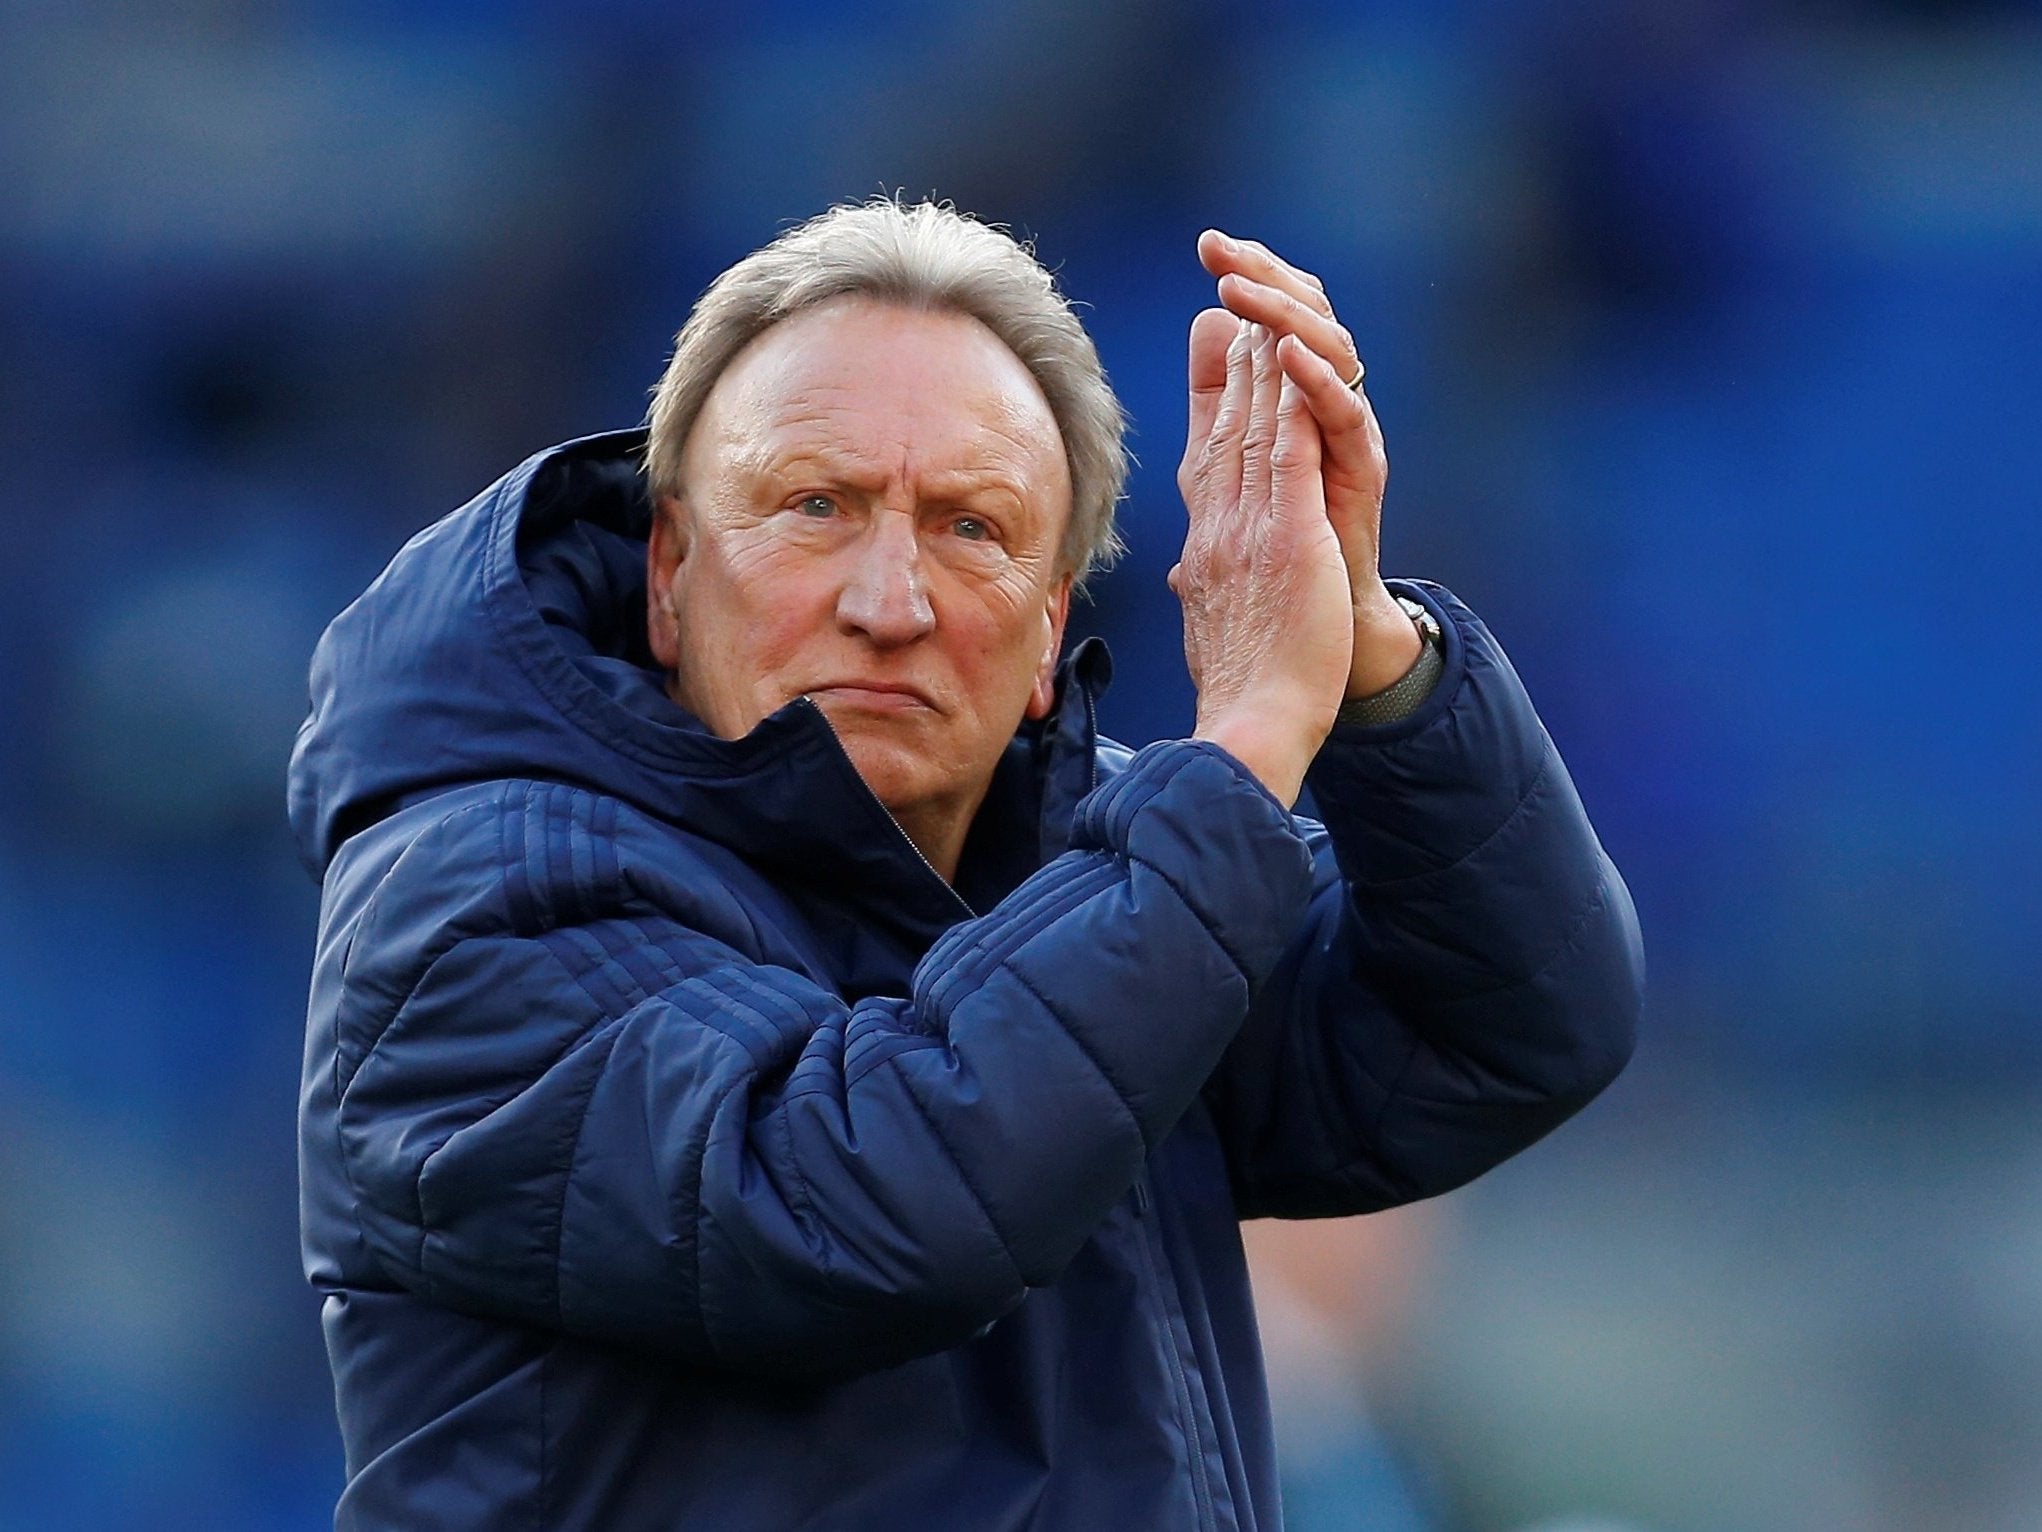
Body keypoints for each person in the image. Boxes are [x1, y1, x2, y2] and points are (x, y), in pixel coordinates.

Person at [290, 199, 1642, 1531]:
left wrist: (1369, 659)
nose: (890, 602)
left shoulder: (1116, 870)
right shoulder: (471, 903)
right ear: (669, 571)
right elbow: (852, 1208)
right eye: (816, 507)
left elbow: (1510, 1026)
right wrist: (1240, 748)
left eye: (969, 527)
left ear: (1051, 625)